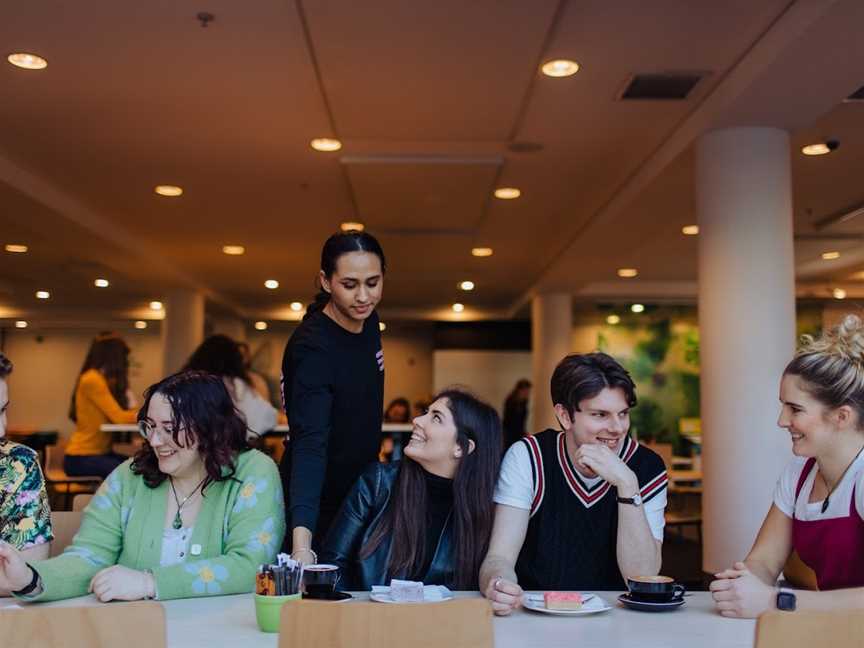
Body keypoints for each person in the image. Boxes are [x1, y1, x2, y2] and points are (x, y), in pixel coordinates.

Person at [0, 371, 285, 602]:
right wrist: (30, 579)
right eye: (149, 426)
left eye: (169, 428)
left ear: (209, 426)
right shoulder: (130, 476)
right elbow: (89, 557)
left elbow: (250, 566)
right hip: (136, 632)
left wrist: (150, 582)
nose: (155, 440)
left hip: (225, 634)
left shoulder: (254, 472)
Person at [480, 352, 668, 615]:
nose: (617, 428)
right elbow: (499, 557)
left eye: (623, 414)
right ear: (565, 416)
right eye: (600, 414)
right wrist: (498, 584)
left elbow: (642, 578)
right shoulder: (529, 457)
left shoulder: (647, 467)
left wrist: (627, 484)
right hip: (534, 613)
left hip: (618, 618)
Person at [710, 315, 864, 618]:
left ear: (841, 417)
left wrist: (774, 602)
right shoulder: (799, 474)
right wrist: (742, 584)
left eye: (795, 409)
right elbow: (764, 562)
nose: (781, 421)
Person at [322, 389, 501, 590]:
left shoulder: (484, 510)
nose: (417, 420)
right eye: (426, 412)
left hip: (439, 620)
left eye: (436, 418)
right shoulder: (379, 482)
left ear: (461, 447)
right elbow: (332, 563)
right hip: (368, 616)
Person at [279, 230, 386, 562]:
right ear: (326, 282)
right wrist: (301, 545)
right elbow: (310, 445)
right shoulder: (313, 349)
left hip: (359, 493)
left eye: (373, 282)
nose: (364, 297)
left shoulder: (368, 322)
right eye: (350, 284)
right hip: (315, 501)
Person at [0, 352, 53, 596]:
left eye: (2, 410)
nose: (2, 429)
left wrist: (16, 578)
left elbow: (26, 571)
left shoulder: (18, 463)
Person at [65, 333, 138, 478]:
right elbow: (120, 418)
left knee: (139, 466)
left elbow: (125, 414)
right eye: (124, 358)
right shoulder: (92, 379)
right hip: (81, 457)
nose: (126, 363)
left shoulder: (102, 380)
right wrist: (148, 415)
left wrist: (128, 393)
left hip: (97, 454)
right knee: (132, 471)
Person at [183, 335, 278, 439]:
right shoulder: (235, 384)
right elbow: (268, 417)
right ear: (234, 359)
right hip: (228, 450)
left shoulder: (187, 383)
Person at [502, 379, 532, 449]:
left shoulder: (524, 402)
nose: (527, 394)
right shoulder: (510, 402)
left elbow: (522, 421)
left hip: (518, 433)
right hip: (509, 434)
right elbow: (509, 421)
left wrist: (524, 432)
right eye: (526, 391)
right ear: (520, 390)